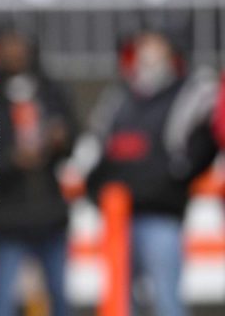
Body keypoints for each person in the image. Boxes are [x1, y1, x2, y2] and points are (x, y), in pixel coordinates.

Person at [66, 29, 217, 316]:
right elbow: (97, 147)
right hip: (117, 216)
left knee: (165, 299)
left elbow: (201, 148)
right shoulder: (120, 97)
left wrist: (170, 182)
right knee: (120, 302)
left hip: (161, 215)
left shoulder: (188, 92)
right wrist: (94, 189)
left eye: (155, 44)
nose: (147, 51)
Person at [0, 27, 76, 316]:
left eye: (19, 44)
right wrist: (12, 158)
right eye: (8, 44)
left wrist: (60, 140)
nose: (15, 51)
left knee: (59, 296)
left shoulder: (49, 89)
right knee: (3, 301)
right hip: (9, 214)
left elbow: (74, 134)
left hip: (50, 212)